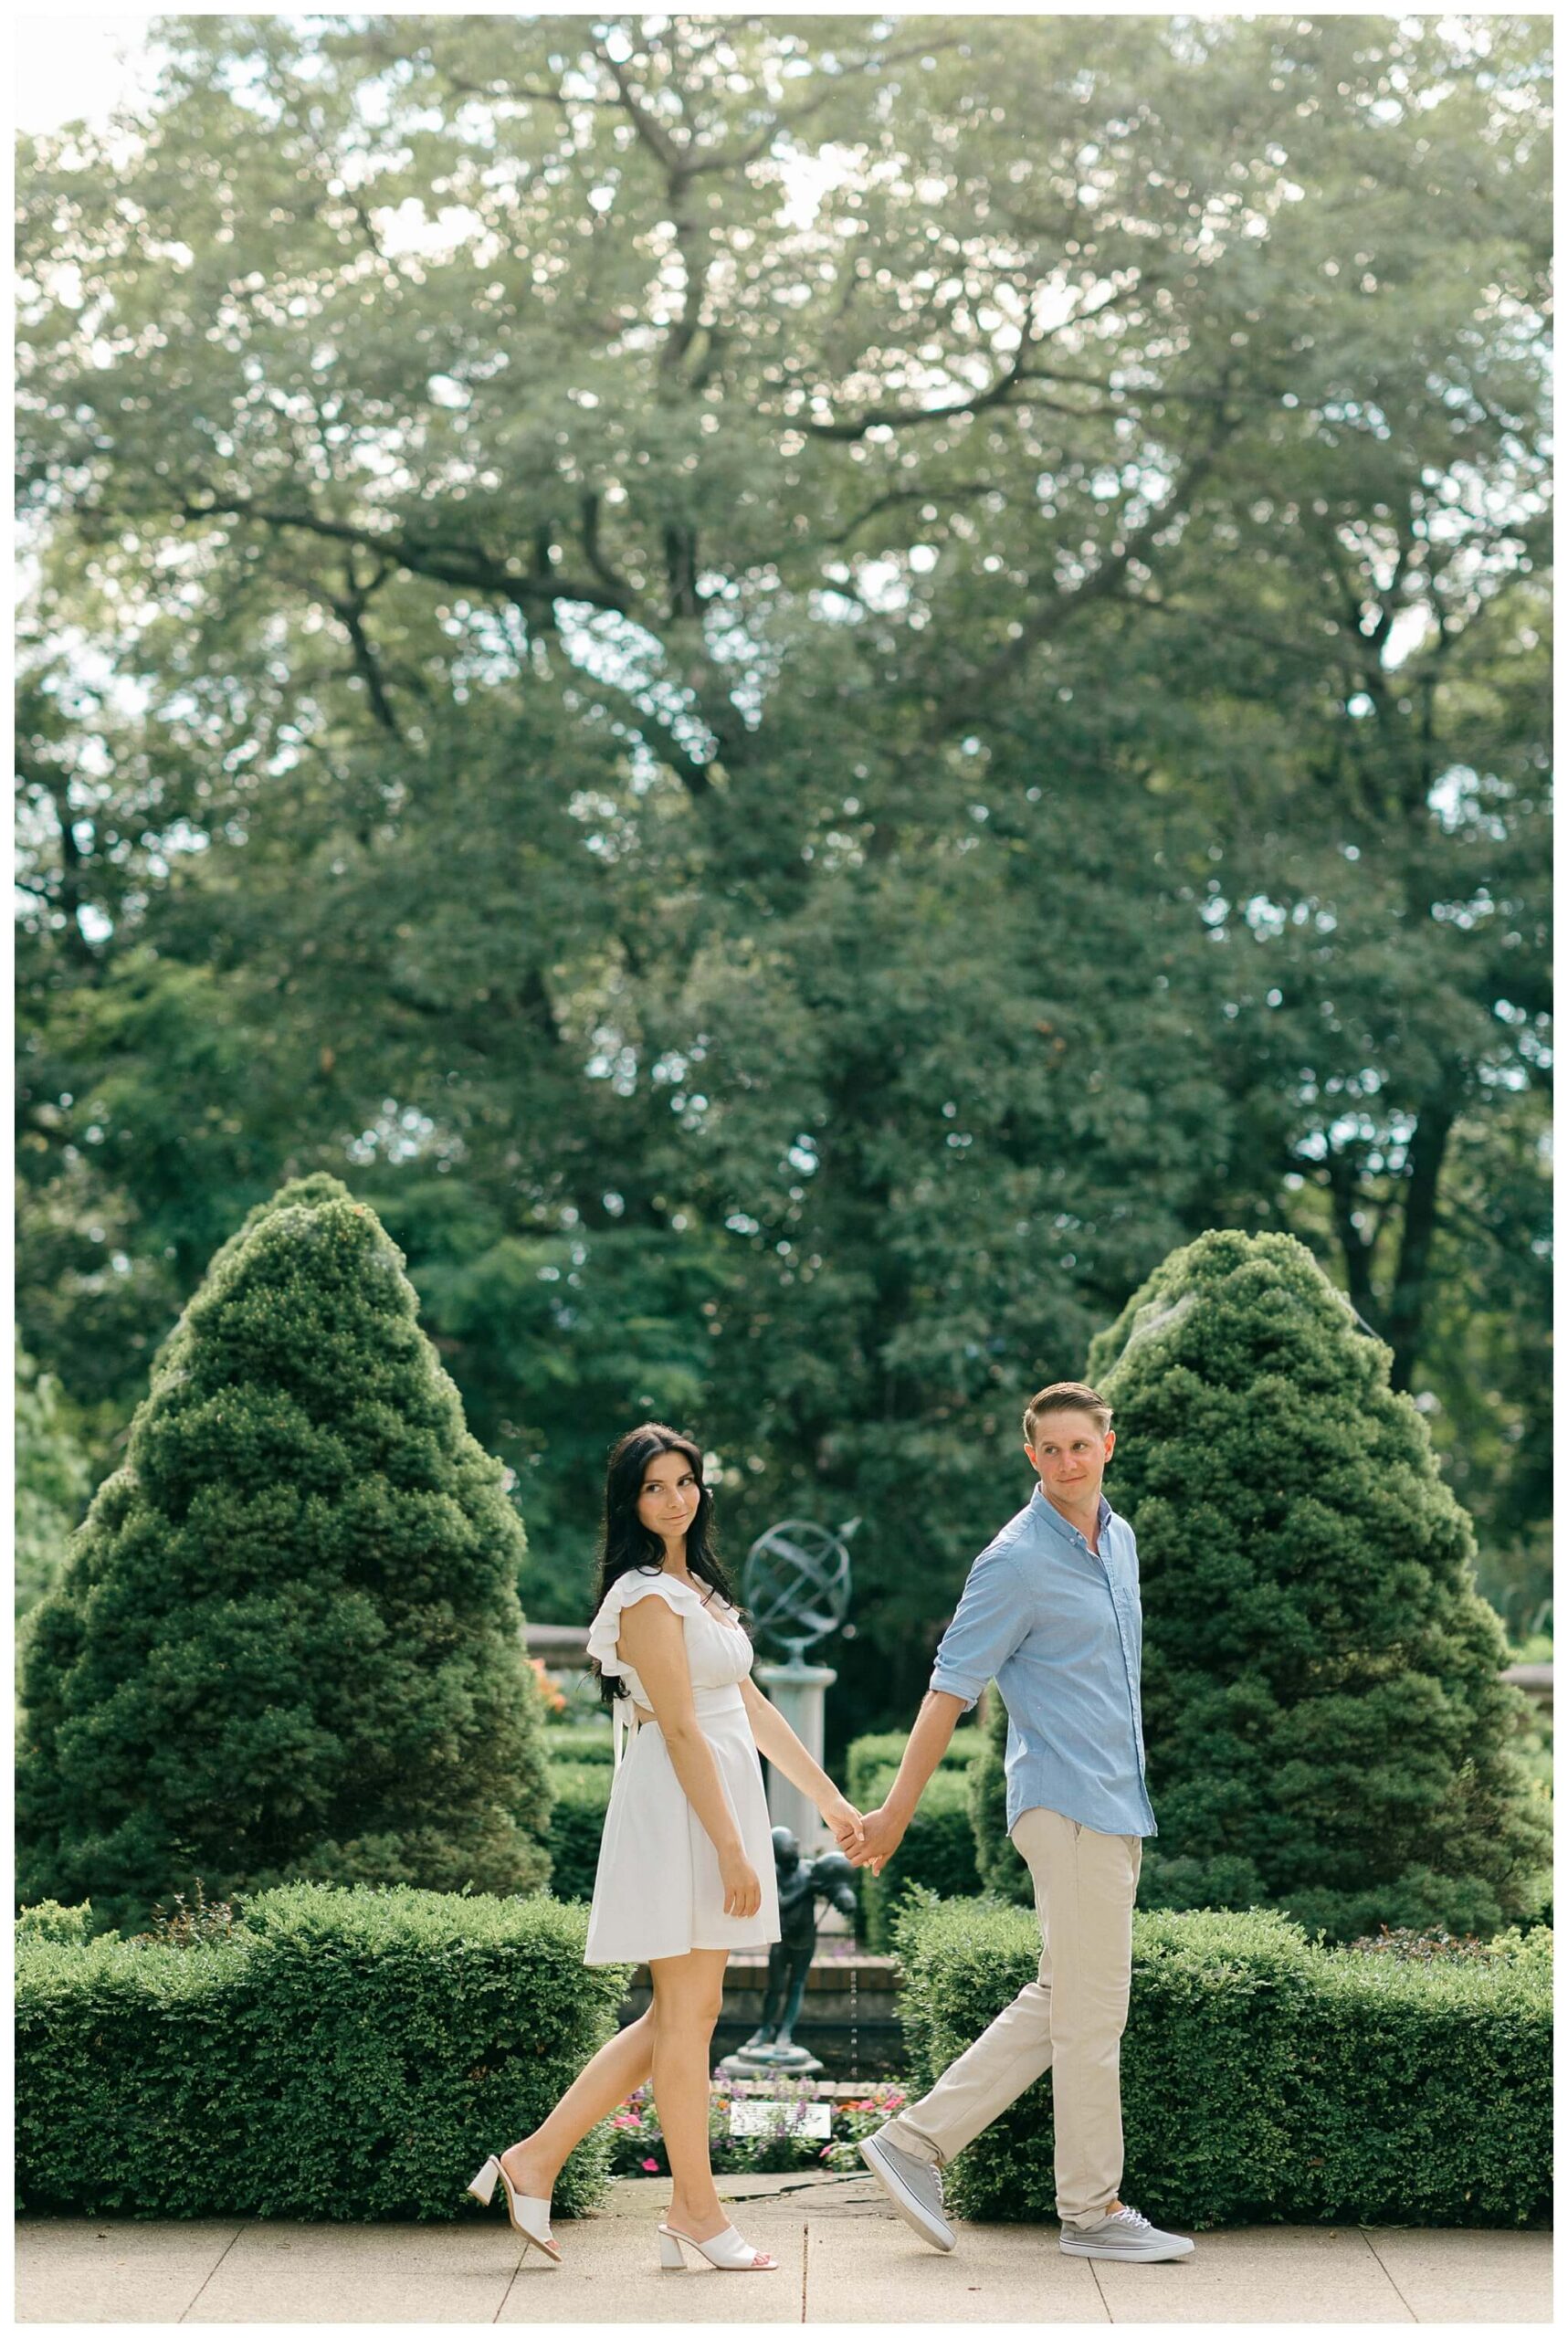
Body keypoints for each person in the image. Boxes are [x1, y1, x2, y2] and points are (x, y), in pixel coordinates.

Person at [468, 1423, 864, 2273]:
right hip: (685, 1805)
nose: (673, 1498)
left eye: (684, 1481)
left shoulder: (700, 1590)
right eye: (654, 1487)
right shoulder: (644, 1595)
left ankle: (536, 2159)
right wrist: (730, 1844)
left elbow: (749, 1707)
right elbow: (680, 1728)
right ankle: (695, 2210)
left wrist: (827, 1799)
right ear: (630, 1502)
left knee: (679, 2016)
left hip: (718, 1796)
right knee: (687, 2015)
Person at [851, 1382, 1194, 2266]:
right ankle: (1091, 2210)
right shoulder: (1013, 1560)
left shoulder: (1117, 1539)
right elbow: (950, 1688)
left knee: (1065, 2002)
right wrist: (894, 1810)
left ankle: (912, 2141)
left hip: (1117, 1807)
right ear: (1030, 1456)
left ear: (1108, 1445)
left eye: (1082, 1445)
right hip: (1065, 1805)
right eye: (1051, 1449)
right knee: (1092, 2017)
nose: (1068, 1461)